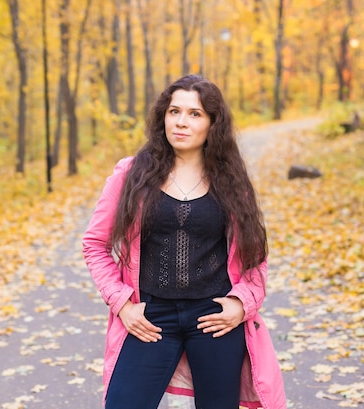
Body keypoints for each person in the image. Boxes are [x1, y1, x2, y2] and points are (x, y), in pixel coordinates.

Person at [82, 75, 287, 409]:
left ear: (212, 124)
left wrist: (242, 304)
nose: (181, 121)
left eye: (195, 114)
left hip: (214, 319)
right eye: (174, 111)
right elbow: (94, 243)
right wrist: (121, 304)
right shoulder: (131, 174)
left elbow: (255, 255)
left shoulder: (232, 181)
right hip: (150, 317)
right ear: (163, 116)